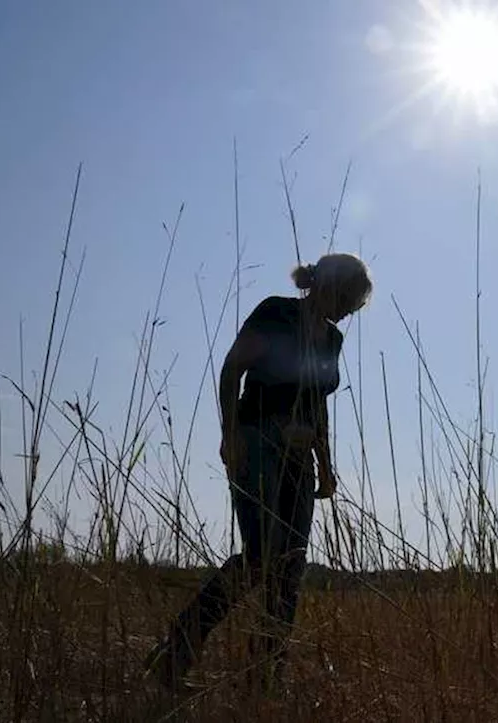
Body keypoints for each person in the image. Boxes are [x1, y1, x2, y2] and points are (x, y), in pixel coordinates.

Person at [144, 252, 372, 692]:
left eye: (354, 304)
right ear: (329, 286)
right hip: (258, 442)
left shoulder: (332, 339)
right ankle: (177, 651)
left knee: (289, 566)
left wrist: (325, 465)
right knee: (261, 557)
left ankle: (264, 678)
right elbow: (233, 369)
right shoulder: (275, 312)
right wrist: (230, 432)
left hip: (299, 460)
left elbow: (317, 403)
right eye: (348, 299)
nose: (349, 311)